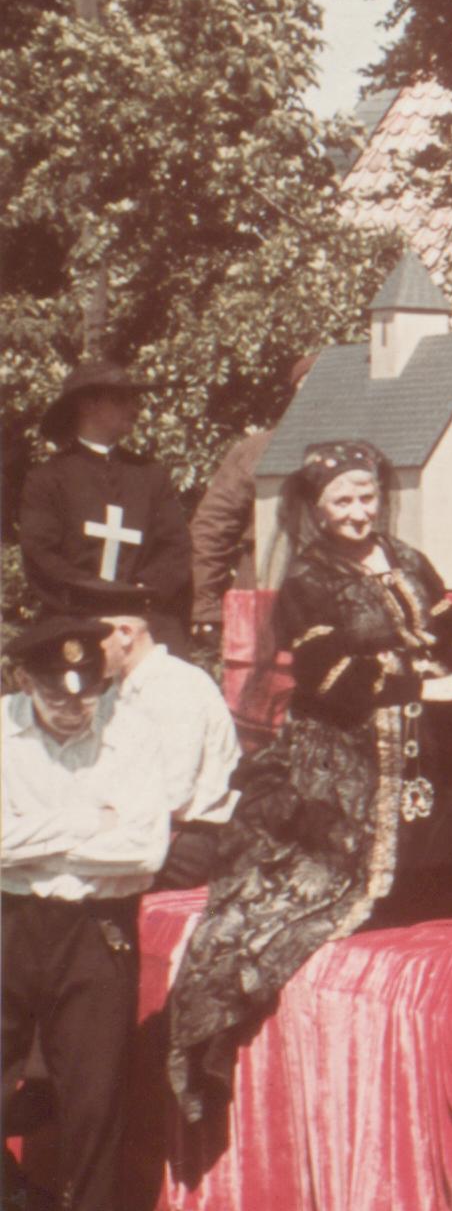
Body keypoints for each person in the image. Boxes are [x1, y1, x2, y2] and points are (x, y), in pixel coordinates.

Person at [165, 441, 452, 1123]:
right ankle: (386, 880)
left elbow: (450, 626)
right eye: (343, 501)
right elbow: (328, 676)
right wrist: (421, 688)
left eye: (367, 496)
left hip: (426, 704)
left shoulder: (407, 559)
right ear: (318, 510)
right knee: (289, 898)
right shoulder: (309, 579)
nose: (358, 512)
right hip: (345, 729)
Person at [2, 614, 173, 1211]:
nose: (74, 709)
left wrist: (32, 834)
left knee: (94, 1093)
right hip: (10, 920)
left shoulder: (135, 733)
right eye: (56, 694)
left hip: (96, 928)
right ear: (24, 680)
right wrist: (88, 821)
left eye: (89, 693)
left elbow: (145, 851)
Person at [65, 578, 240, 888]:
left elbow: (172, 794)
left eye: (92, 641)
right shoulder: (114, 692)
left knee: (57, 871)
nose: (84, 653)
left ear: (125, 634)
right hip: (136, 827)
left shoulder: (177, 686)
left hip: (188, 840)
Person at [16, 358, 192, 639]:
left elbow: (175, 549)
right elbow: (41, 557)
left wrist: (138, 593)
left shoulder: (151, 476)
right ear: (87, 405)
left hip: (142, 619)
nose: (134, 409)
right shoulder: (47, 479)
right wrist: (95, 594)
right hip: (72, 618)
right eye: (121, 399)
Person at [187, 352, 318, 651]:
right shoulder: (257, 450)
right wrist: (206, 608)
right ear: (298, 389)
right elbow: (212, 529)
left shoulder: (361, 448)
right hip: (263, 596)